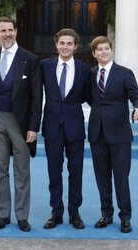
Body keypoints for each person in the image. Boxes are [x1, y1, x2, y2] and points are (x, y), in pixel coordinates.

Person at [0, 16, 42, 232]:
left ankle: (22, 216)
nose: (7, 34)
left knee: (22, 170)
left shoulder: (30, 59)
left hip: (21, 121)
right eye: (2, 30)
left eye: (10, 30)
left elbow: (37, 96)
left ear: (16, 31)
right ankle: (3, 215)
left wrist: (34, 126)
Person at [88, 36, 138, 233]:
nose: (103, 52)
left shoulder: (124, 73)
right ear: (94, 53)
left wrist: (137, 108)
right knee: (101, 176)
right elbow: (90, 98)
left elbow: (136, 96)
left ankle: (125, 217)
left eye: (106, 48)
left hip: (119, 134)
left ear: (111, 50)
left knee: (121, 177)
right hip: (97, 133)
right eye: (99, 49)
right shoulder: (91, 73)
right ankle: (106, 213)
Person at [41, 28, 90, 230]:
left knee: (76, 171)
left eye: (70, 44)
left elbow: (91, 96)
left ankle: (74, 213)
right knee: (54, 171)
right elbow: (35, 94)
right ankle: (56, 212)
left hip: (75, 126)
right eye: (62, 43)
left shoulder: (85, 69)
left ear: (76, 46)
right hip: (52, 126)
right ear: (56, 44)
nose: (65, 47)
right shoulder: (44, 66)